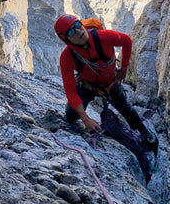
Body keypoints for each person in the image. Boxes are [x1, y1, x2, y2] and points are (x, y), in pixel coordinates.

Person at [54, 14, 158, 151]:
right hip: (87, 85)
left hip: (110, 82)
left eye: (78, 26)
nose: (79, 32)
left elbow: (126, 41)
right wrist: (86, 119)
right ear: (66, 39)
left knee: (126, 109)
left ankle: (142, 130)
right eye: (72, 32)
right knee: (71, 115)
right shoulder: (67, 57)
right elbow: (70, 91)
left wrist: (124, 67)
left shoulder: (102, 37)